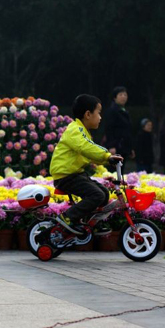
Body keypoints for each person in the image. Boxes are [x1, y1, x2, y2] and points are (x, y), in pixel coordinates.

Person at [49, 94, 123, 234]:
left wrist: (107, 159)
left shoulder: (83, 131)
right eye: (98, 113)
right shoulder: (75, 130)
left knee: (103, 193)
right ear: (88, 114)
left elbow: (89, 153)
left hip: (75, 174)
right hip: (66, 176)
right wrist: (107, 156)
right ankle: (67, 218)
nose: (100, 117)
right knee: (97, 195)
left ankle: (91, 223)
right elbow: (86, 148)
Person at [104, 86, 134, 174]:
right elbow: (109, 129)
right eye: (120, 95)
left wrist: (130, 148)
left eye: (125, 95)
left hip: (124, 147)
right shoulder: (112, 111)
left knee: (121, 171)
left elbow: (127, 131)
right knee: (114, 172)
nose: (123, 97)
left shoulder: (124, 111)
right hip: (116, 147)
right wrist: (111, 146)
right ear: (115, 97)